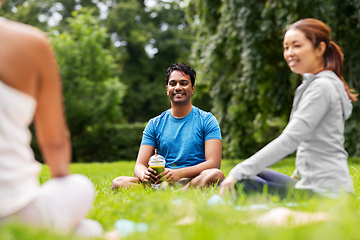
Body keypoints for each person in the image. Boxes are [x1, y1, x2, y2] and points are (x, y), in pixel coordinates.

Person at [220, 18, 358, 199]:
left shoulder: (322, 87)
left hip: (328, 193)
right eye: (286, 47)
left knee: (240, 182)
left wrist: (237, 172)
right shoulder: (311, 85)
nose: (289, 53)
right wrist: (298, 174)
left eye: (297, 46)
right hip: (311, 185)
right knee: (255, 173)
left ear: (320, 49)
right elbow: (311, 140)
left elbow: (291, 139)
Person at [0, 14, 103, 237]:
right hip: (12, 211)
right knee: (79, 188)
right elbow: (54, 142)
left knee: (85, 229)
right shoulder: (29, 43)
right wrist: (62, 187)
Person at [111, 63, 224, 190]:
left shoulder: (207, 120)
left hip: (194, 180)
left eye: (183, 83)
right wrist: (145, 175)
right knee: (118, 183)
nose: (178, 87)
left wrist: (179, 173)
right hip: (162, 181)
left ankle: (180, 193)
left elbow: (214, 163)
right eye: (173, 83)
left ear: (192, 88)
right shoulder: (154, 124)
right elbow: (139, 165)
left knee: (215, 175)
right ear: (167, 89)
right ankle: (169, 192)